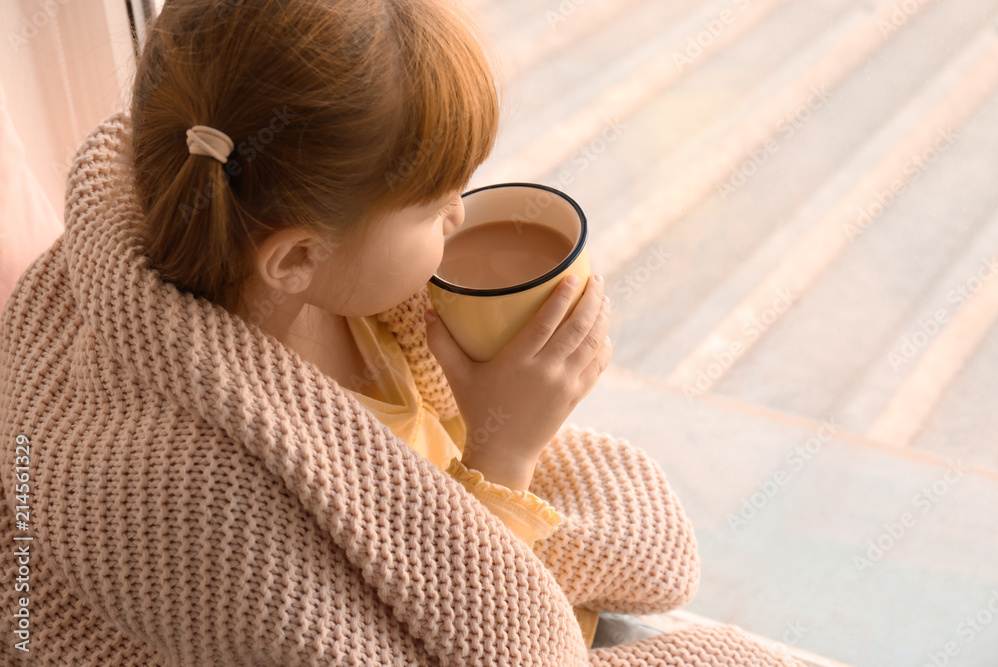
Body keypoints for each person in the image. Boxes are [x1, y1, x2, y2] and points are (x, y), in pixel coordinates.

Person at [0, 0, 803, 664]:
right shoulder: (209, 497)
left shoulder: (298, 272)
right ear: (296, 256)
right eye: (434, 203)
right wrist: (505, 452)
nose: (460, 214)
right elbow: (490, 643)